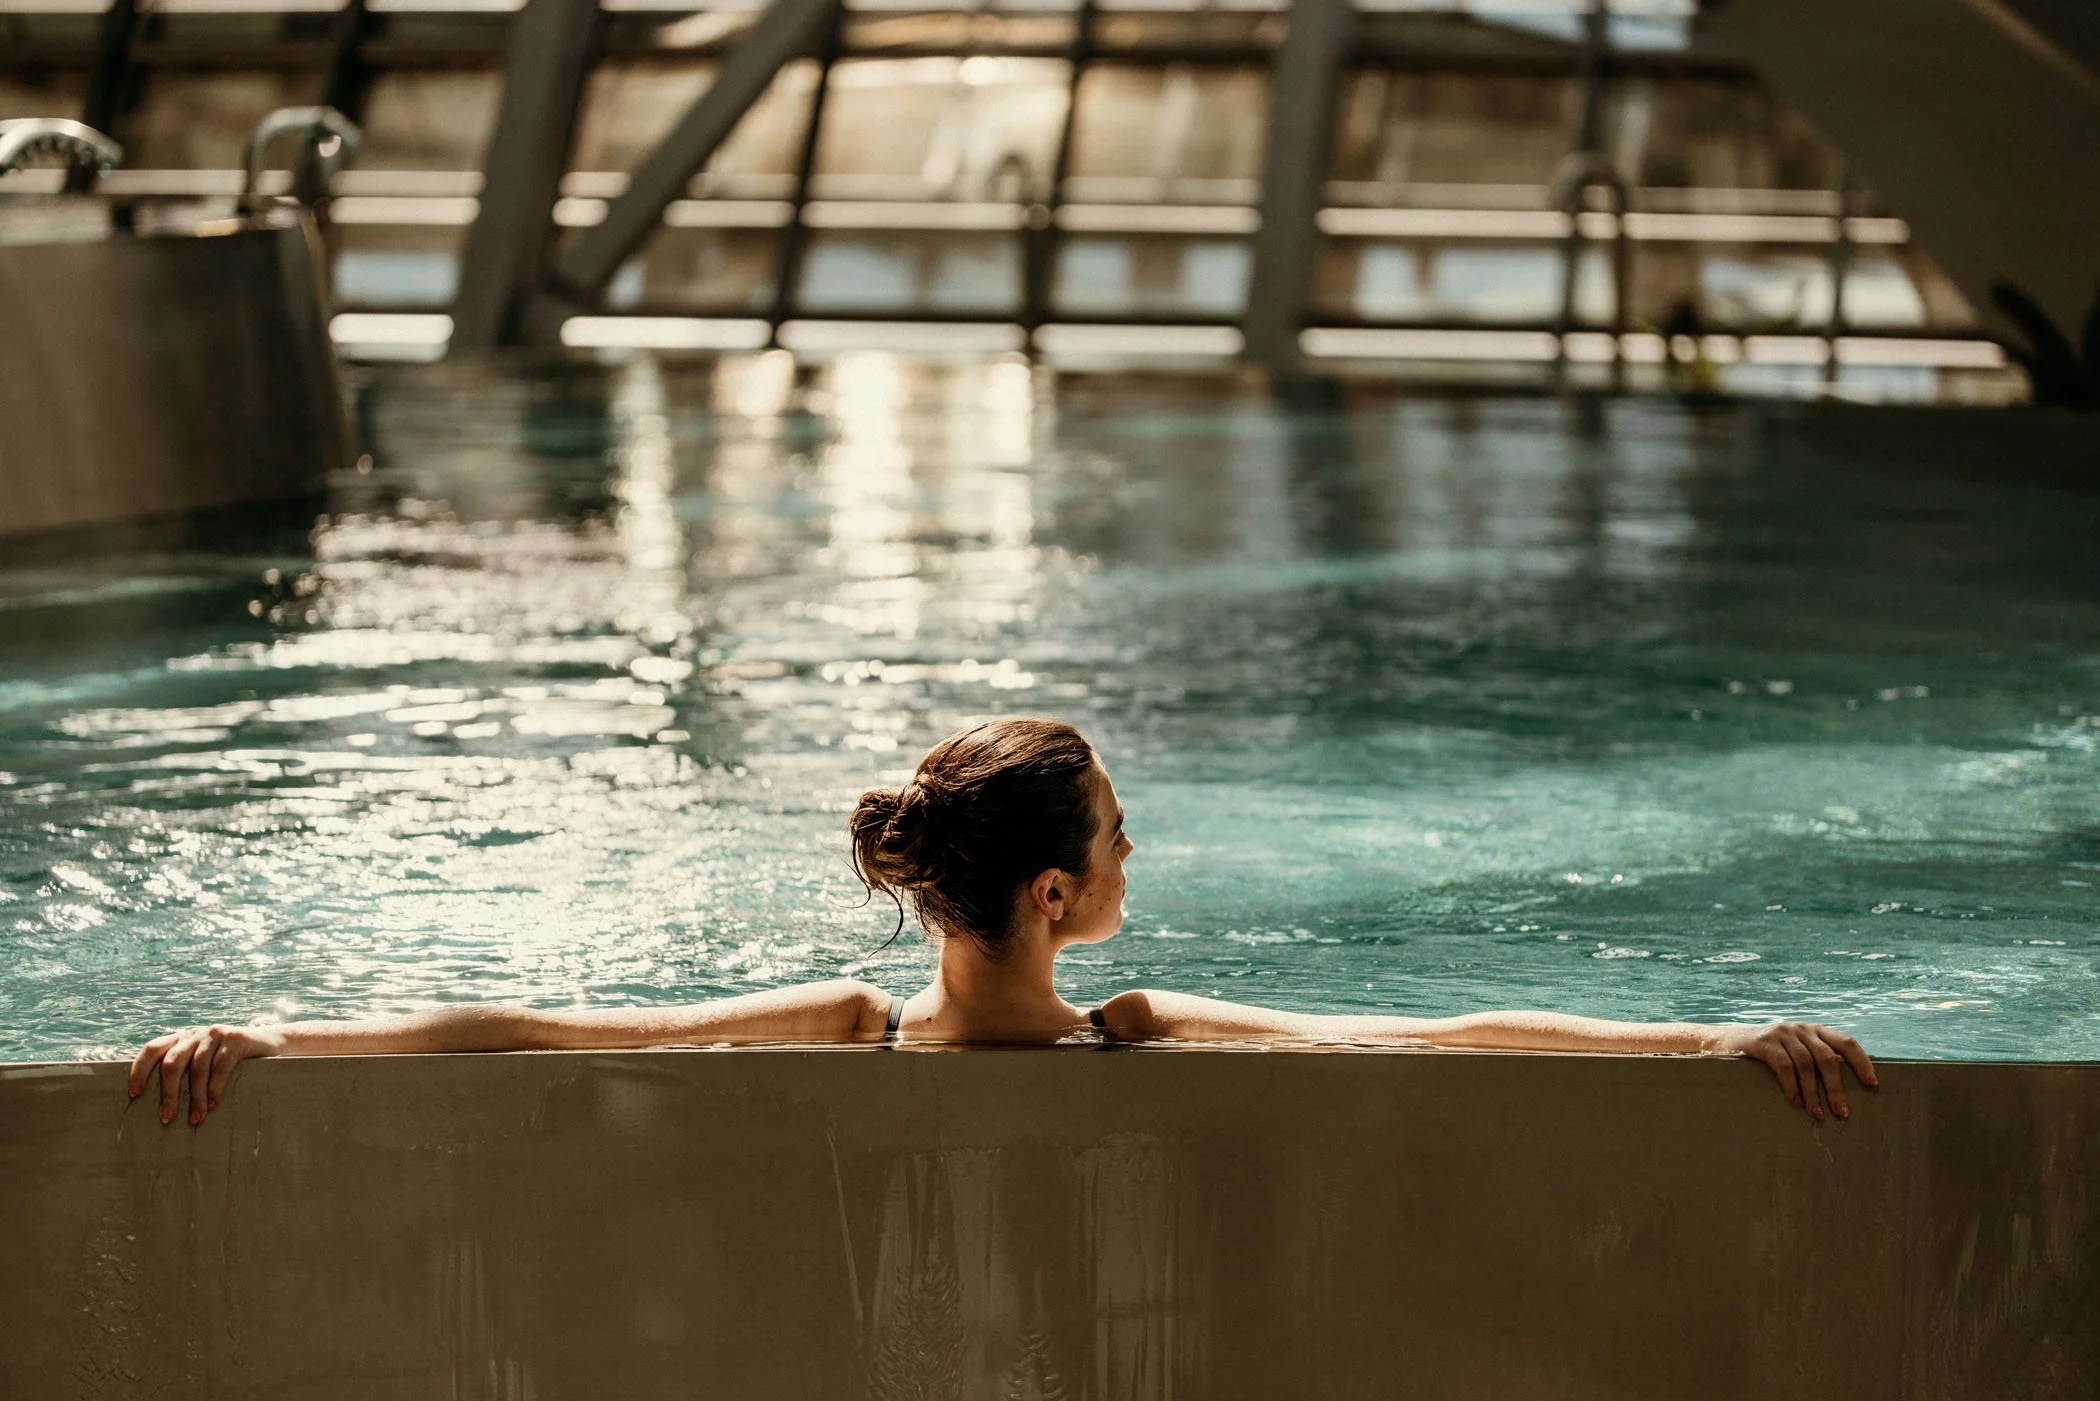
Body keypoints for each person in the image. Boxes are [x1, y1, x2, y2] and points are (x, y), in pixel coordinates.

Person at [130, 717, 1877, 1127]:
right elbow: (1457, 1037)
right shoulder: (1146, 1036)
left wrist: (281, 1029)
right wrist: (1714, 1035)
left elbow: (530, 1028)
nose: (1137, 861)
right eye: (1121, 840)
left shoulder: (846, 1031)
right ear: (1058, 897)